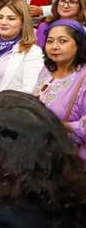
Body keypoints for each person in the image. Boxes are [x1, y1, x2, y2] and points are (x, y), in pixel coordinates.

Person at [33, 20, 86, 159]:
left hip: (72, 159)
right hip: (41, 153)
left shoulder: (83, 78)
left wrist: (61, 126)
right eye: (50, 41)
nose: (54, 46)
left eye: (62, 41)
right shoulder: (47, 69)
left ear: (79, 44)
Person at [0, 0, 44, 93]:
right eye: (0, 17)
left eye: (11, 18)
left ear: (23, 23)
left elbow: (30, 90)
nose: (3, 22)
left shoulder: (33, 52)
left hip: (9, 105)